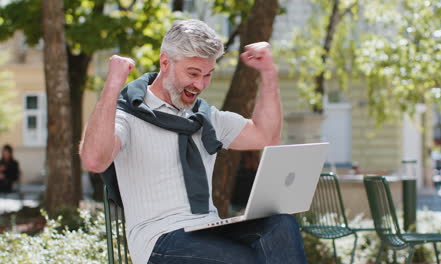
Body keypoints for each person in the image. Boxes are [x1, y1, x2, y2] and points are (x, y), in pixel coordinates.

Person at [80, 19, 306, 264]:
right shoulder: (128, 115)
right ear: (165, 62)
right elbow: (94, 159)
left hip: (209, 230)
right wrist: (112, 86)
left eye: (207, 75)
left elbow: (266, 135)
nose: (199, 85)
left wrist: (269, 74)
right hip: (159, 240)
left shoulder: (204, 117)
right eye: (193, 73)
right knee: (244, 259)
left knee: (280, 225)